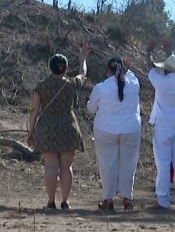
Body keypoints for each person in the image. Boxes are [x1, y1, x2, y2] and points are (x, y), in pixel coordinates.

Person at [27, 47, 89, 210]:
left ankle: (50, 201)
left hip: (47, 126)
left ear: (50, 67)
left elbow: (34, 109)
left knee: (50, 166)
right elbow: (83, 74)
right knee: (66, 166)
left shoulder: (41, 86)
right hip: (68, 125)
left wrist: (31, 129)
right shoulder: (71, 84)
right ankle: (65, 201)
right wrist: (82, 59)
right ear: (65, 68)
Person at [86, 57, 141, 212]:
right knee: (129, 164)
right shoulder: (134, 83)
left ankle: (108, 200)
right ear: (123, 69)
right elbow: (130, 76)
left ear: (107, 70)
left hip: (105, 129)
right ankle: (127, 199)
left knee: (107, 164)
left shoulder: (101, 87)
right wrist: (128, 69)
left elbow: (91, 109)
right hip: (131, 129)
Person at [148, 53, 175, 211]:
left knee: (163, 164)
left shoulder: (161, 81)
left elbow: (151, 70)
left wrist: (150, 53)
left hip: (163, 126)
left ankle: (163, 200)